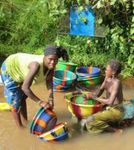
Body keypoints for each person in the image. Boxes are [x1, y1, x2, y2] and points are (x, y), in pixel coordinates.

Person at [0, 45, 69, 128]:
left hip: (20, 68)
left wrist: (51, 98)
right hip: (10, 68)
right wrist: (40, 102)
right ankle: (20, 128)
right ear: (45, 57)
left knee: (23, 96)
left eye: (56, 60)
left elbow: (49, 80)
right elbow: (25, 88)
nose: (53, 62)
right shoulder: (35, 66)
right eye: (50, 59)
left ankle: (25, 120)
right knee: (15, 100)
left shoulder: (51, 66)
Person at [80, 60, 124, 133]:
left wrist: (94, 97)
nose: (105, 71)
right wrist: (88, 95)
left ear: (113, 72)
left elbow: (110, 102)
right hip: (109, 107)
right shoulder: (106, 79)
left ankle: (116, 131)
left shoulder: (117, 83)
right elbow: (98, 93)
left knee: (90, 120)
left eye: (107, 70)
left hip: (117, 110)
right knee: (84, 121)